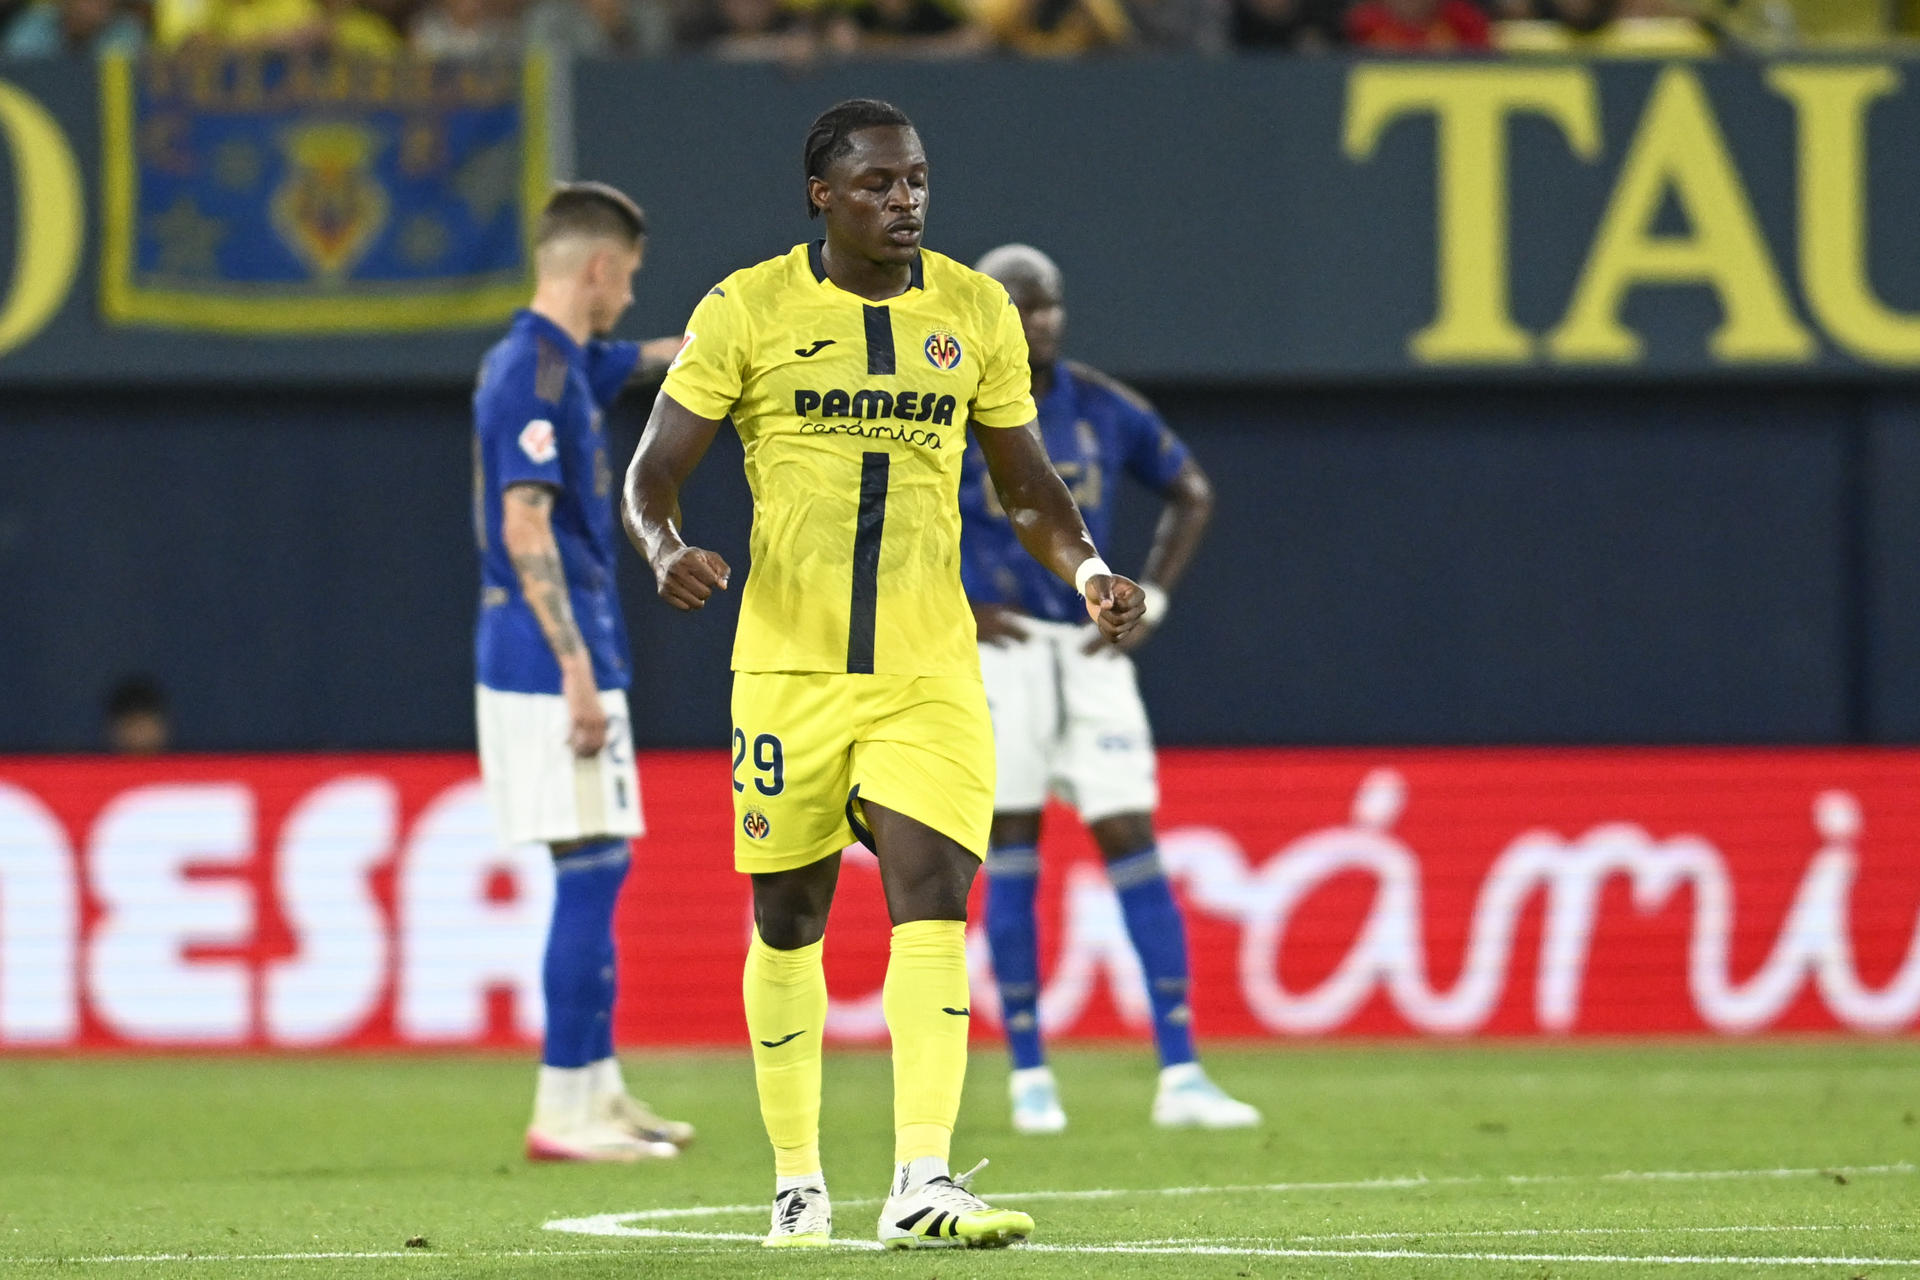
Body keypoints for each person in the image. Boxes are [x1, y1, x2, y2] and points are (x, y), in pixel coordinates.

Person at [623, 99, 1144, 1250]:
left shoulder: (975, 310)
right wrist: (667, 550)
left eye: (915, 182)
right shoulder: (747, 308)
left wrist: (1091, 570)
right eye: (876, 184)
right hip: (787, 668)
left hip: (926, 667)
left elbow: (1026, 486)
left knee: (931, 887)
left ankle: (920, 1174)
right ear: (822, 195)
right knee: (789, 913)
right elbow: (652, 472)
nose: (903, 201)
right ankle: (798, 1180)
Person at [959, 245, 1260, 1137]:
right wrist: (956, 603)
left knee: (1131, 834)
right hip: (1001, 649)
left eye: (1049, 304)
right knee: (1010, 843)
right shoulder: (950, 407)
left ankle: (1181, 1071)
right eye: (1020, 304)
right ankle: (1029, 1074)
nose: (1039, 320)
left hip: (1090, 651)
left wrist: (1152, 597)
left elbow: (1191, 490)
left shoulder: (1100, 406)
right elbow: (896, 509)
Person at [472, 181, 693, 1164]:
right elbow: (524, 523)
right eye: (631, 276)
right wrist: (571, 666)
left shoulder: (565, 363)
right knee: (589, 868)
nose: (634, 298)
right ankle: (563, 1107)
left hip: (575, 650)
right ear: (599, 268)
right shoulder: (530, 371)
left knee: (600, 862)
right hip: (545, 658)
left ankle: (600, 1092)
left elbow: (647, 357)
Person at [103, 675, 171, 755]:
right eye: (130, 723)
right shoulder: (93, 766)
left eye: (143, 723)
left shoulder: (184, 765)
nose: (139, 734)